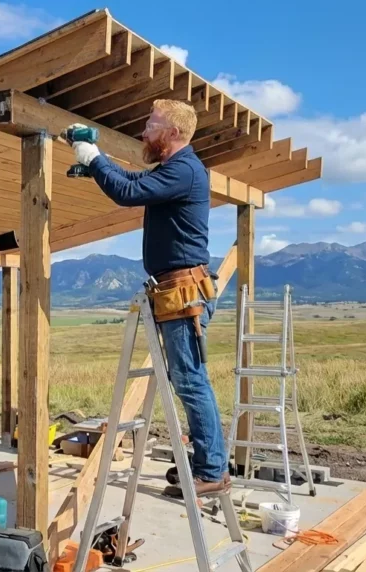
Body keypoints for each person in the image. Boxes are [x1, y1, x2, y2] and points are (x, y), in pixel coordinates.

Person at [68, 99, 230, 497]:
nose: (144, 131)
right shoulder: (177, 171)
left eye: (152, 124)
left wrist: (93, 155)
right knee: (186, 379)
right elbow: (134, 185)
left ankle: (211, 471)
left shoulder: (186, 170)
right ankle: (205, 464)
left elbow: (129, 191)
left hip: (182, 292)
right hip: (173, 291)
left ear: (173, 133)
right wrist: (95, 168)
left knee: (191, 382)